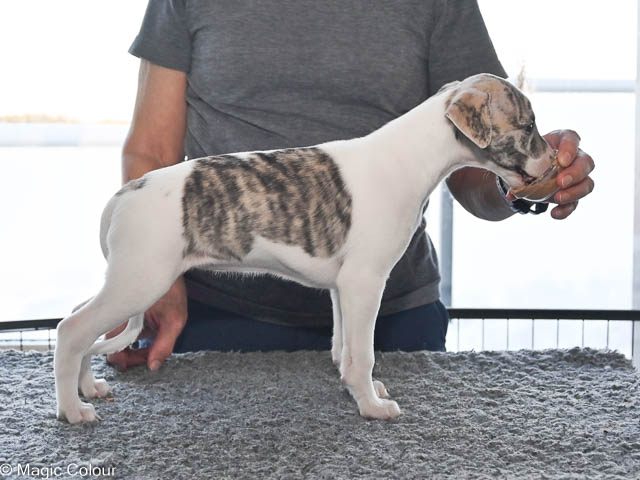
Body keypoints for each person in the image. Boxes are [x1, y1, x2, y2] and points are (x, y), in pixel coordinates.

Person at [107, 0, 595, 372]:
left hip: (392, 318)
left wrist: (524, 181)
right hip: (217, 311)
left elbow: (475, 162)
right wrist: (156, 281)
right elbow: (151, 152)